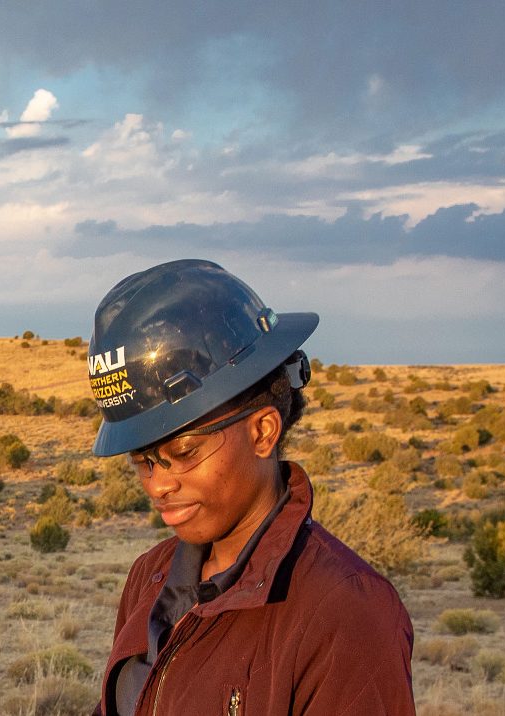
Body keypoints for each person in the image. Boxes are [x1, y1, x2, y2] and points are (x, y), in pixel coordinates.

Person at [86, 259, 414, 715]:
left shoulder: (344, 611)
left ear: (262, 431)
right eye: (142, 461)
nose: (158, 484)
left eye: (183, 453)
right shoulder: (151, 576)